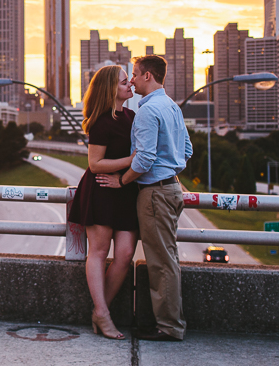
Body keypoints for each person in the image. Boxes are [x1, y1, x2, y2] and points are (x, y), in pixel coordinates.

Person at [96, 55, 193, 342]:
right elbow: (186, 151)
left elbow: (145, 158)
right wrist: (171, 169)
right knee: (168, 257)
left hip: (155, 194)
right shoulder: (172, 106)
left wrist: (121, 181)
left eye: (136, 74)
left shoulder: (149, 111)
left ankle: (169, 327)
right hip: (171, 188)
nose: (133, 80)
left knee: (161, 262)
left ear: (148, 76)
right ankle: (170, 323)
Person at [67, 65, 139, 340]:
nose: (130, 84)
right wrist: (132, 161)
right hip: (101, 190)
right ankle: (103, 314)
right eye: (124, 82)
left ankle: (100, 312)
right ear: (111, 88)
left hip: (125, 190)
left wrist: (126, 174)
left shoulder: (131, 116)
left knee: (124, 254)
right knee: (97, 252)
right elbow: (95, 164)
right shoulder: (101, 121)